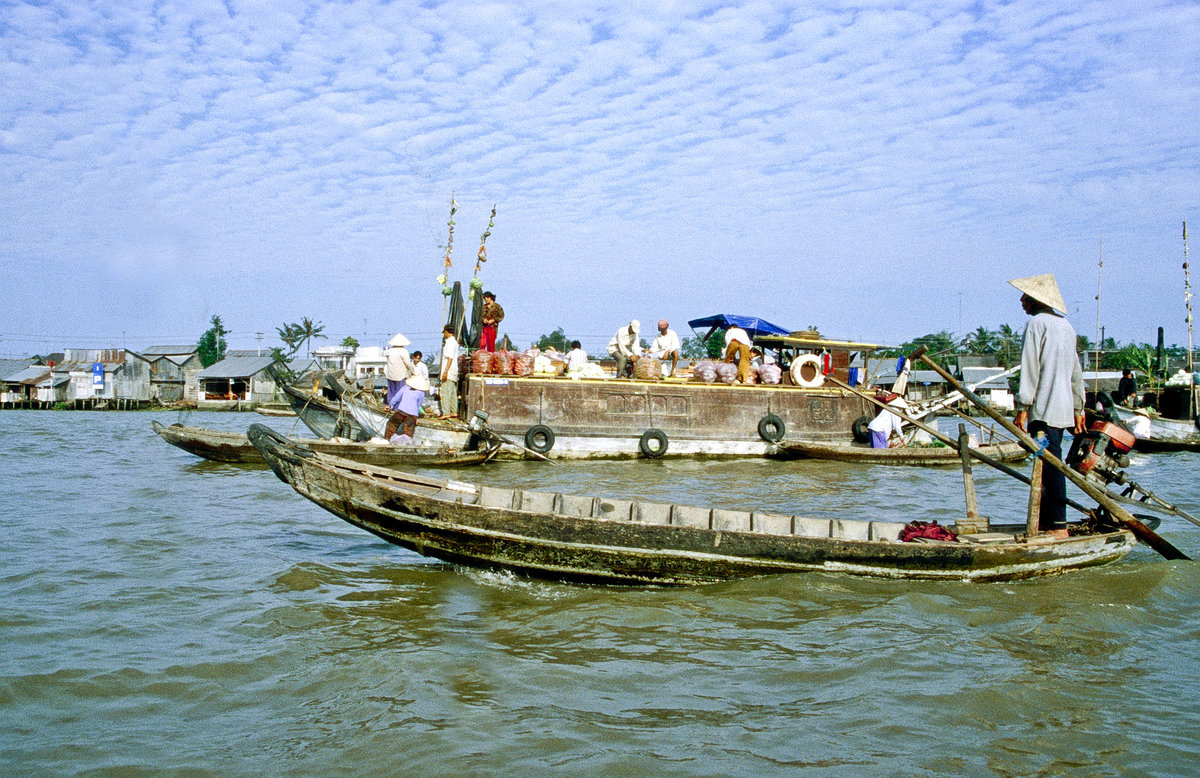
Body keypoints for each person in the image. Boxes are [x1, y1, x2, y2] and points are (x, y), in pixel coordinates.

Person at [1010, 273, 1085, 539]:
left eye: (1024, 297)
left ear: (1035, 300)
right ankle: (1046, 522)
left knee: (1048, 464)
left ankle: (1057, 526)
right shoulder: (1066, 326)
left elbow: (1030, 369)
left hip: (1042, 413)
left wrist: (1023, 407)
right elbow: (1077, 373)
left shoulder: (1036, 325)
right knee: (1051, 461)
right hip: (1062, 411)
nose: (1021, 301)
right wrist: (1079, 408)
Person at [385, 370, 429, 444]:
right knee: (408, 432)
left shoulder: (405, 387)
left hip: (401, 412)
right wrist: (416, 418)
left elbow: (396, 398)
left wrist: (390, 405)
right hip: (412, 415)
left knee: (391, 424)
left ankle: (387, 440)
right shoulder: (421, 393)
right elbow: (418, 405)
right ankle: (407, 446)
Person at [384, 333, 416, 409]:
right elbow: (408, 363)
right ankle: (398, 408)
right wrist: (413, 371)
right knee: (400, 393)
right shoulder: (403, 351)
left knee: (391, 392)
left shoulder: (389, 351)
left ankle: (390, 407)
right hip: (401, 375)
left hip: (390, 374)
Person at [439, 325, 460, 418]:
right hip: (453, 371)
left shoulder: (450, 343)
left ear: (446, 332)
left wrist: (445, 371)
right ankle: (453, 411)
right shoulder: (454, 342)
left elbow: (450, 358)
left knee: (445, 392)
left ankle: (446, 412)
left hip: (449, 371)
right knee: (452, 393)